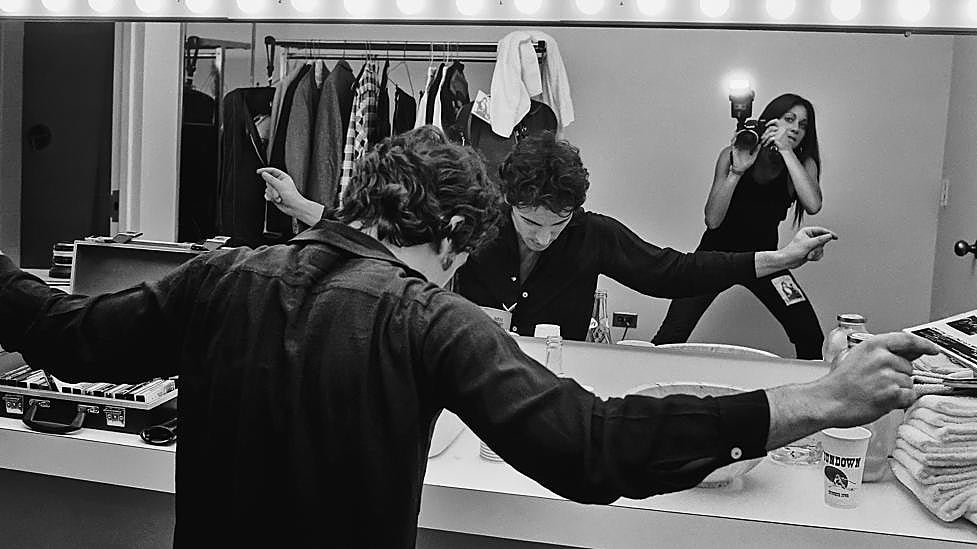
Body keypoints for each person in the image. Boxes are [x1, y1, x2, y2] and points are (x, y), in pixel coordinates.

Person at [0, 129, 939, 547]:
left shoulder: (217, 277)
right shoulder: (425, 314)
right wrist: (818, 397)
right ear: (453, 240)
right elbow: (593, 449)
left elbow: (61, 334)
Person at [263, 129, 838, 341]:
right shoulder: (476, 224)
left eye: (556, 224)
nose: (542, 236)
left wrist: (780, 256)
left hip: (554, 373)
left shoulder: (593, 235)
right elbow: (388, 238)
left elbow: (675, 273)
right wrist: (303, 207)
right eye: (530, 221)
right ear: (509, 202)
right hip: (460, 358)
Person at [653, 93, 826, 358]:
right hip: (714, 258)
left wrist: (786, 152)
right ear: (770, 121)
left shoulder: (802, 164)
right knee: (670, 336)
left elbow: (813, 203)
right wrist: (737, 171)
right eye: (788, 119)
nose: (794, 128)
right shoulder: (734, 154)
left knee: (810, 335)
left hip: (765, 261)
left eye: (802, 125)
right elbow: (712, 220)